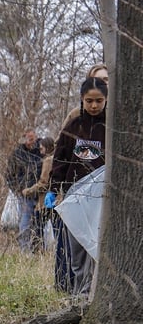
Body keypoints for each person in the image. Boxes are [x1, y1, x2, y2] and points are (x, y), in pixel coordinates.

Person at [49, 76, 107, 296]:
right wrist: (54, 189)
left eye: (98, 101)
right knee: (77, 248)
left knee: (96, 247)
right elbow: (60, 158)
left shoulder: (111, 128)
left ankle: (95, 294)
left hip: (101, 198)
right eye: (89, 100)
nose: (93, 105)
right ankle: (79, 296)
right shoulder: (74, 126)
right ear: (82, 99)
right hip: (75, 195)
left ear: (106, 100)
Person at [4, 130, 44, 252]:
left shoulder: (42, 151)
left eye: (34, 138)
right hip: (25, 194)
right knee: (25, 221)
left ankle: (39, 248)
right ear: (24, 140)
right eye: (29, 139)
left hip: (41, 192)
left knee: (41, 221)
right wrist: (18, 190)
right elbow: (9, 176)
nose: (32, 142)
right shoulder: (17, 154)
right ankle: (25, 250)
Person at [22, 137, 57, 250]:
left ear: (47, 148)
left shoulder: (48, 160)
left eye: (42, 148)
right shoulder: (59, 158)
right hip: (56, 200)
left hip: (45, 201)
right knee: (57, 229)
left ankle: (37, 253)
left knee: (38, 228)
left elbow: (43, 182)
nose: (40, 151)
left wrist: (29, 191)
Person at [60, 64, 109, 130]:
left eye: (106, 79)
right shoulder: (76, 114)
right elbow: (62, 138)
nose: (103, 83)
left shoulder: (119, 114)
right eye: (97, 80)